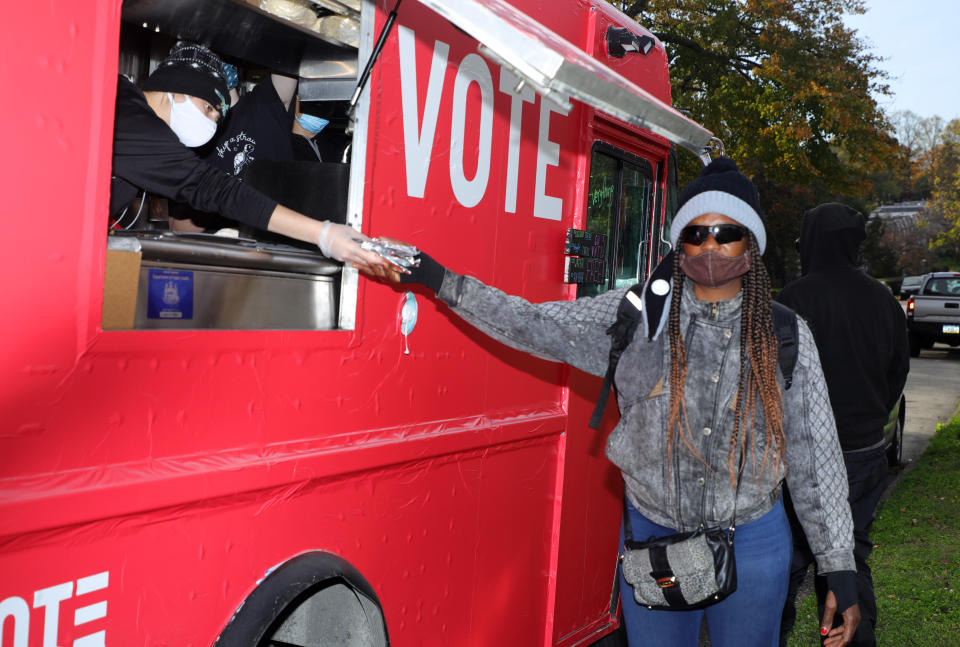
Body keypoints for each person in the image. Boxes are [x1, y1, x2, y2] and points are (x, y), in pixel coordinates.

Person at [367, 158, 860, 646]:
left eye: (727, 232)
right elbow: (536, 324)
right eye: (695, 234)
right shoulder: (635, 315)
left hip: (754, 539)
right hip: (654, 535)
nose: (710, 246)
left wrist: (838, 564)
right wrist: (442, 281)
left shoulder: (786, 334)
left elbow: (816, 457)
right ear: (678, 244)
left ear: (751, 248)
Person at [109, 41, 385, 272]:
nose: (211, 122)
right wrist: (322, 234)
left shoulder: (135, 120)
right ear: (178, 90)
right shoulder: (123, 111)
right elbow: (212, 188)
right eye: (208, 108)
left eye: (218, 115)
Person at [776, 203, 910, 647]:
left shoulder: (792, 300)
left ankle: (766, 634)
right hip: (865, 451)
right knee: (848, 556)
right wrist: (871, 417)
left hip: (804, 458)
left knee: (789, 559)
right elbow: (898, 371)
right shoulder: (883, 300)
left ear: (810, 241)